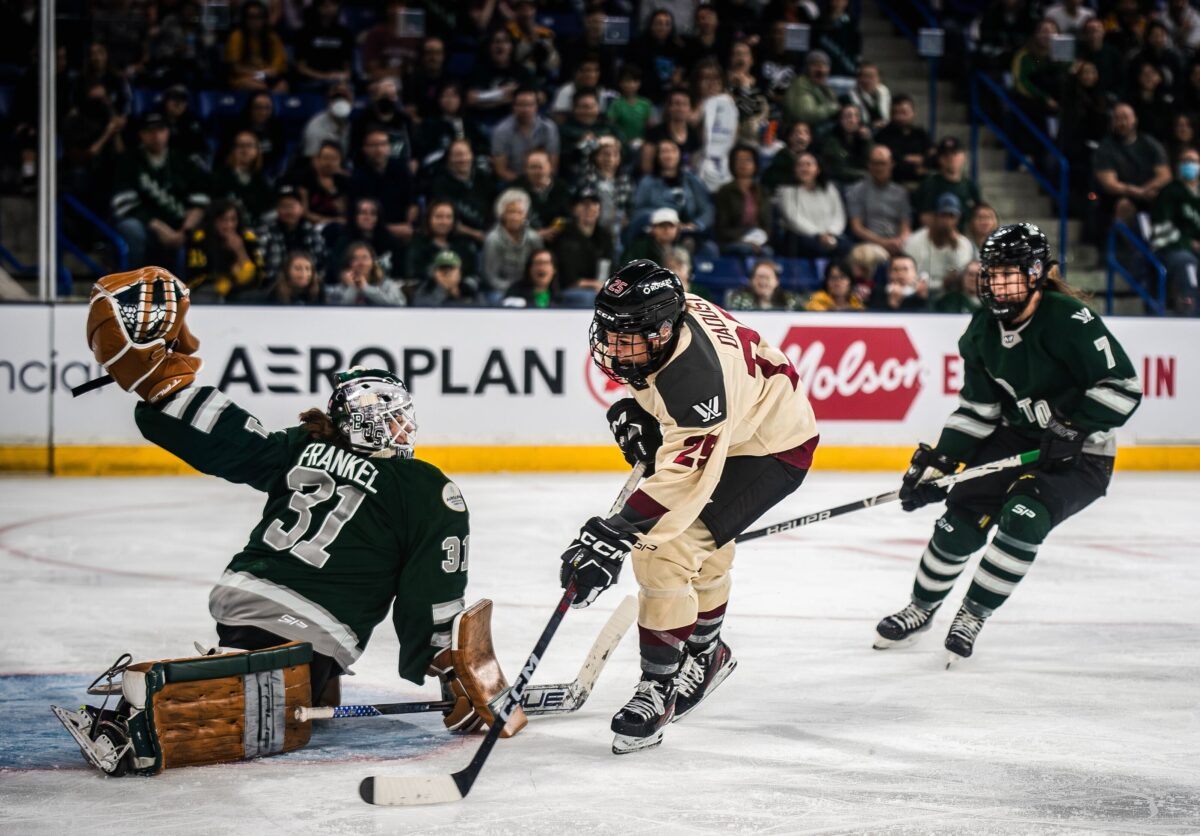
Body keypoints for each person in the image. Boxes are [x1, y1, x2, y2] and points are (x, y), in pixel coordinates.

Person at [71, 274, 524, 771]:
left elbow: (229, 437)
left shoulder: (302, 446)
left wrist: (160, 387)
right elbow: (428, 594)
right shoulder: (427, 488)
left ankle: (242, 665)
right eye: (393, 417)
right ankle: (168, 701)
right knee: (285, 707)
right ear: (372, 421)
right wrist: (447, 665)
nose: (403, 428)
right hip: (318, 627)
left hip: (240, 596)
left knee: (317, 695)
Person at [560, 259, 819, 753]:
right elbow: (674, 402)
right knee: (703, 544)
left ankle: (657, 689)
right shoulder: (665, 331)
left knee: (664, 552)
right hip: (742, 418)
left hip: (770, 444)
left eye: (626, 338)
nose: (614, 348)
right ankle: (708, 651)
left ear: (661, 330)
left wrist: (617, 533)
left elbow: (687, 479)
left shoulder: (696, 377)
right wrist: (640, 413)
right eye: (609, 333)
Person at [873, 224, 1142, 662]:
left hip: (1081, 453)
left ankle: (973, 614)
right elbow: (978, 412)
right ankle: (920, 610)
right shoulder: (982, 331)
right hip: (1017, 438)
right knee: (958, 521)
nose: (998, 285)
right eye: (993, 275)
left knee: (1024, 516)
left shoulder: (1070, 319)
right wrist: (941, 463)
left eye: (1010, 274)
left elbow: (1123, 387)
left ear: (1037, 273)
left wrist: (1073, 427)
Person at [111, 112, 210, 270]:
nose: (156, 136)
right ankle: (132, 286)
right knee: (131, 228)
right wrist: (160, 228)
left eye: (160, 130)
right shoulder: (128, 161)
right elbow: (124, 204)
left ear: (167, 132)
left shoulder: (183, 160)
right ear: (141, 135)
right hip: (147, 226)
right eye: (150, 131)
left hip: (180, 227)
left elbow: (200, 200)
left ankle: (187, 290)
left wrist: (184, 231)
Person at [1092, 103, 1172, 237]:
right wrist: (1136, 192)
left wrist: (1145, 190)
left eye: (1125, 117)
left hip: (1149, 193)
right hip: (1118, 197)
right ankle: (1127, 251)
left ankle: (1166, 248)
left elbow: (1165, 175)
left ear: (1135, 119)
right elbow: (1110, 184)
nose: (1122, 122)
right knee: (1124, 206)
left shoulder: (1149, 143)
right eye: (1117, 118)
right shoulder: (1105, 148)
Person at [846, 145, 911, 284]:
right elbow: (856, 227)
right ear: (869, 165)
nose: (879, 167)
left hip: (898, 244)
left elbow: (906, 225)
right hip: (870, 243)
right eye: (875, 163)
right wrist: (884, 243)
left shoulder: (900, 193)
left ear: (891, 164)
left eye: (883, 163)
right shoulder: (857, 191)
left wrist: (901, 240)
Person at [632, 139, 715, 245]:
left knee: (710, 249)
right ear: (657, 156)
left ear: (679, 154)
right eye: (664, 151)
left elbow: (707, 209)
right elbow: (639, 212)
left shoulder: (692, 179)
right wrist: (662, 223)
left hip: (688, 233)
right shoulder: (647, 182)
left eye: (673, 151)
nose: (669, 155)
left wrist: (696, 225)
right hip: (657, 233)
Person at [1150, 147, 1200, 315]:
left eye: (1193, 161)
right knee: (1187, 263)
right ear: (1178, 166)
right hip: (1172, 249)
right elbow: (1161, 229)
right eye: (1185, 161)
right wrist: (1190, 243)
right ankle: (1189, 313)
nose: (1189, 164)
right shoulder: (1169, 192)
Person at [185, 200, 266, 302]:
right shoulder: (201, 239)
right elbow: (196, 276)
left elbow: (258, 276)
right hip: (207, 290)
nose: (229, 225)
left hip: (241, 290)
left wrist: (240, 251)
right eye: (223, 220)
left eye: (233, 220)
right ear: (213, 221)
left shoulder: (248, 239)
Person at [775, 152, 850, 259]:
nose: (804, 169)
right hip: (803, 236)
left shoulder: (830, 189)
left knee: (847, 247)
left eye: (808, 164)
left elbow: (839, 216)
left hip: (831, 235)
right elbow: (793, 219)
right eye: (800, 165)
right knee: (815, 248)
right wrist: (819, 234)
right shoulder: (787, 191)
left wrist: (831, 233)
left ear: (818, 169)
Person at [349, 129, 417, 242]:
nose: (379, 149)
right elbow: (358, 216)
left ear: (389, 147)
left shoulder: (402, 170)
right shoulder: (358, 177)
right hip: (371, 231)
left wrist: (408, 224)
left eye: (383, 144)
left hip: (402, 227)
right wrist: (391, 229)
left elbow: (412, 203)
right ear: (365, 149)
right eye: (374, 145)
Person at [553, 187, 615, 306]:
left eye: (594, 204)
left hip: (599, 288)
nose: (589, 208)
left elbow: (608, 266)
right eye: (584, 204)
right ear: (574, 209)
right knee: (589, 298)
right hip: (570, 290)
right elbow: (567, 277)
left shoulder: (605, 236)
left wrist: (602, 284)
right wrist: (594, 284)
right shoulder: (563, 236)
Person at [904, 194, 977, 292]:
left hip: (950, 296)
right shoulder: (915, 240)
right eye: (943, 215)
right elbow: (910, 277)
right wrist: (941, 284)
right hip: (918, 293)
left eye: (951, 216)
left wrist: (955, 248)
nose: (947, 221)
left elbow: (962, 278)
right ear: (934, 216)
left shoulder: (963, 244)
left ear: (957, 219)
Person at [431, 139, 498, 244]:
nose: (462, 159)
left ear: (471, 155)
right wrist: (475, 234)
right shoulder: (440, 184)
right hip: (456, 238)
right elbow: (445, 221)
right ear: (449, 159)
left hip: (487, 234)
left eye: (465, 154)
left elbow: (496, 208)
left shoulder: (483, 178)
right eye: (457, 155)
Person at [481, 189, 544, 298]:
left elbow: (540, 267)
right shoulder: (493, 239)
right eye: (511, 212)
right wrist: (514, 290)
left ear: (525, 215)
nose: (515, 217)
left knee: (543, 297)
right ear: (502, 214)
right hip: (502, 289)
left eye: (519, 212)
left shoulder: (534, 238)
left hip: (529, 287)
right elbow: (491, 277)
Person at [259, 185, 330, 281]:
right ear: (277, 210)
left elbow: (323, 263)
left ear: (301, 208)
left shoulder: (311, 231)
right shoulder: (266, 232)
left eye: (292, 206)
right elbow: (263, 267)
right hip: (276, 285)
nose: (288, 211)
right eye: (283, 206)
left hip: (309, 283)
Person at [491, 88, 561, 183]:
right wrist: (524, 185)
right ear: (513, 107)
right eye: (520, 105)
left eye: (530, 105)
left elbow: (552, 165)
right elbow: (501, 170)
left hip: (543, 179)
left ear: (536, 106)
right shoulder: (501, 131)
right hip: (513, 180)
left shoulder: (549, 128)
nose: (525, 109)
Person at [714, 145, 773, 256]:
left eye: (748, 160)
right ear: (732, 163)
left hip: (758, 240)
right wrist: (745, 237)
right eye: (739, 160)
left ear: (755, 164)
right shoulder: (725, 192)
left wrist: (757, 239)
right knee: (745, 249)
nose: (744, 163)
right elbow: (721, 228)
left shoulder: (763, 192)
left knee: (767, 252)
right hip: (732, 241)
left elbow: (767, 226)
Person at [913, 137, 983, 231]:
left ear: (964, 157)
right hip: (937, 238)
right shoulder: (930, 184)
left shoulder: (970, 185)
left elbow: (979, 215)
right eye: (945, 155)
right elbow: (925, 218)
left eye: (955, 153)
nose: (951, 158)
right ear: (939, 159)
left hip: (965, 238)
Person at [693, 58, 739, 192]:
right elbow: (688, 126)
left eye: (715, 78)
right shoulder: (690, 101)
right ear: (697, 82)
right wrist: (706, 102)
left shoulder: (727, 102)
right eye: (706, 78)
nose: (711, 83)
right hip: (697, 158)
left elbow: (732, 138)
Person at [329, 197, 404, 281]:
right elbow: (335, 272)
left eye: (373, 214)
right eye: (363, 213)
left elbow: (399, 273)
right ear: (355, 216)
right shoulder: (343, 243)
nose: (368, 217)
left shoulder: (390, 241)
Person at [212, 131, 275, 228]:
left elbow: (267, 212)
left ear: (257, 151)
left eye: (250, 146)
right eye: (240, 145)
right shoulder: (219, 177)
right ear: (232, 150)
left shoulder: (262, 181)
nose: (245, 150)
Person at [406, 200, 479, 282]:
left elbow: (472, 276)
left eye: (448, 217)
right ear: (429, 219)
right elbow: (414, 276)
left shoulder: (464, 245)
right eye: (438, 217)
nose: (444, 222)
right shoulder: (418, 245)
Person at [224, 0, 288, 92]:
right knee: (256, 86)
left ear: (265, 19)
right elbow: (234, 67)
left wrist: (269, 72)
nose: (255, 21)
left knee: (282, 86)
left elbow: (278, 63)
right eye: (251, 17)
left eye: (259, 17)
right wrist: (257, 74)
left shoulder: (272, 37)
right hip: (245, 77)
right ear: (245, 19)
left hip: (268, 77)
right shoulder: (237, 36)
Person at [873, 95, 933, 186]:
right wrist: (915, 162)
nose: (900, 117)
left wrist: (909, 159)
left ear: (913, 113)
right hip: (893, 184)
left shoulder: (921, 133)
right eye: (896, 113)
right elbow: (890, 162)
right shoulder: (883, 135)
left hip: (922, 183)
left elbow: (932, 154)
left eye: (904, 113)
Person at [640, 88, 702, 177]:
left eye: (684, 104)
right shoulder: (655, 133)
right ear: (669, 108)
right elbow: (646, 167)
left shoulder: (693, 134)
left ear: (690, 109)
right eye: (676, 104)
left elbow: (694, 165)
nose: (680, 108)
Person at [293, 0, 353, 90]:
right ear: (317, 8)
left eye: (333, 5)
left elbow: (347, 65)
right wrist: (325, 76)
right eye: (325, 6)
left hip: (337, 80)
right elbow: (301, 67)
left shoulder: (344, 33)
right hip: (312, 81)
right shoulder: (305, 33)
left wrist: (344, 75)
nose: (330, 9)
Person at [515, 149, 572, 242]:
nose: (537, 171)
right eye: (533, 167)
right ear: (526, 170)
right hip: (525, 238)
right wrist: (535, 234)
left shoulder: (562, 188)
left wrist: (553, 230)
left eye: (541, 167)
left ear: (550, 167)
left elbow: (568, 216)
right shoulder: (516, 189)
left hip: (557, 237)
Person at [327, 241, 407, 306]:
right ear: (349, 264)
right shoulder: (339, 289)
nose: (360, 263)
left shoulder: (387, 285)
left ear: (373, 262)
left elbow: (400, 304)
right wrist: (353, 287)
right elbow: (337, 313)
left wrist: (366, 288)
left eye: (365, 258)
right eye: (355, 259)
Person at [293, 140, 350, 227]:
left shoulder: (345, 181)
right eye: (326, 158)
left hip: (340, 226)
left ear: (340, 161)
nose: (329, 163)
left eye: (334, 158)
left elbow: (347, 210)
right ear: (317, 159)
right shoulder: (305, 179)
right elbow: (304, 212)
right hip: (312, 226)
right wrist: (329, 221)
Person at [783, 50, 840, 130]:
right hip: (801, 132)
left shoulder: (824, 87)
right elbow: (807, 114)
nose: (821, 70)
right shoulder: (801, 84)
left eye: (824, 66)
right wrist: (833, 108)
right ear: (807, 69)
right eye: (816, 66)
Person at [821, 103, 873, 186]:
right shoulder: (831, 139)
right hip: (840, 182)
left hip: (861, 182)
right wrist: (864, 174)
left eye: (856, 116)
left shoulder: (863, 137)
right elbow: (839, 170)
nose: (852, 120)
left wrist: (866, 142)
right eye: (848, 116)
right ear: (840, 119)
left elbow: (870, 162)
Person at [413, 249, 484, 307]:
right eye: (443, 270)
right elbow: (422, 311)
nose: (447, 274)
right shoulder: (426, 289)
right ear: (434, 273)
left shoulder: (469, 289)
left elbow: (483, 310)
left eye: (451, 269)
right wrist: (442, 288)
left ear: (460, 272)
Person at [726, 259, 802, 310]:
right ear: (751, 281)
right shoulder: (739, 300)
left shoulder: (790, 300)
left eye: (767, 277)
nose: (763, 281)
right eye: (759, 277)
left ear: (776, 281)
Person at [607, 65, 654, 148]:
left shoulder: (645, 104)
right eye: (627, 81)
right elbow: (611, 126)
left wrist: (643, 141)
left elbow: (650, 127)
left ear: (639, 83)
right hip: (620, 144)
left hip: (641, 144)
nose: (631, 84)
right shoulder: (615, 104)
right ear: (620, 83)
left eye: (635, 81)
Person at [302, 83, 354, 158]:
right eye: (336, 98)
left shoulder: (358, 120)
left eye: (344, 98)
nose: (340, 102)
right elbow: (313, 157)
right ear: (328, 101)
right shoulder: (316, 124)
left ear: (352, 101)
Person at [761, 121, 814, 190]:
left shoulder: (815, 160)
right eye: (797, 132)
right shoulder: (779, 160)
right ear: (790, 137)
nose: (801, 137)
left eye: (806, 133)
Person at [848, 63, 891, 132]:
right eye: (864, 76)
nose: (867, 80)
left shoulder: (884, 92)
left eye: (871, 76)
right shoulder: (850, 96)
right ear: (858, 79)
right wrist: (871, 125)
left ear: (879, 79)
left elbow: (887, 117)